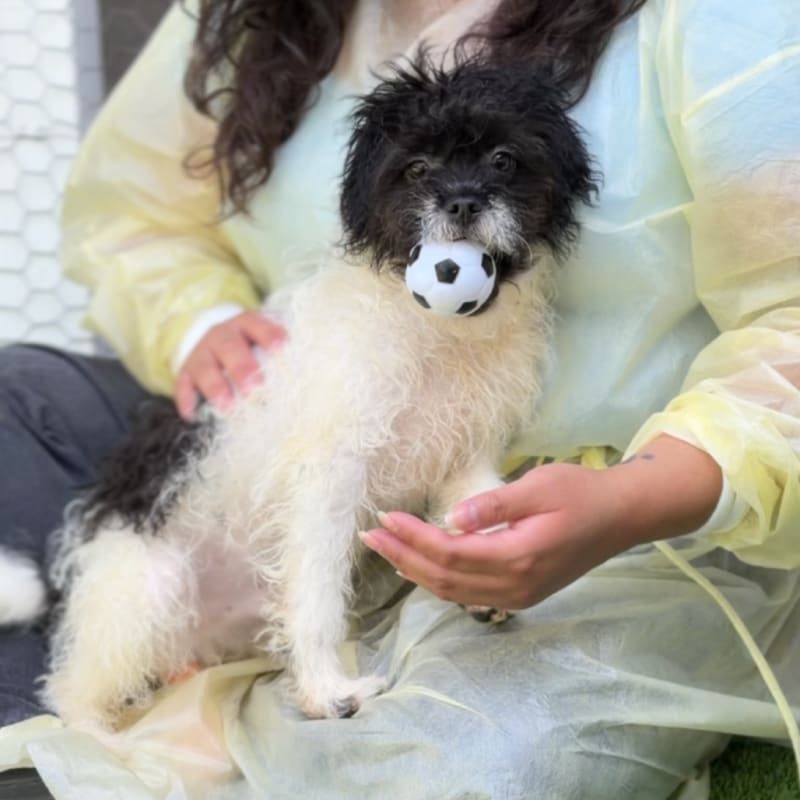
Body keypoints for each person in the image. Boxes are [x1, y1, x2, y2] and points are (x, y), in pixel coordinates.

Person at [0, 0, 798, 797]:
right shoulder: (256, 15)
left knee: (469, 763)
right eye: (419, 176)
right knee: (22, 402)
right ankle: (99, 680)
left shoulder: (716, 23)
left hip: (624, 520)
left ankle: (127, 703)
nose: (460, 198)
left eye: (501, 166)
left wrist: (630, 499)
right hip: (240, 465)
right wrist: (197, 323)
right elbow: (132, 215)